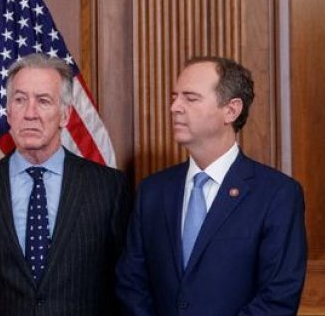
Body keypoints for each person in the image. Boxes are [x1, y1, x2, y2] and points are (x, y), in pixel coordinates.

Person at [115, 56, 307, 314]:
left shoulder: (277, 195)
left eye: (190, 98)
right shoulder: (153, 191)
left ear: (231, 110)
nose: (174, 107)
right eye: (174, 97)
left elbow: (278, 298)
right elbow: (131, 283)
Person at [0, 53, 131, 315]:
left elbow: (122, 279)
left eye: (43, 101)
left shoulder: (108, 189)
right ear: (9, 112)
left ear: (65, 115)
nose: (30, 113)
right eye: (20, 100)